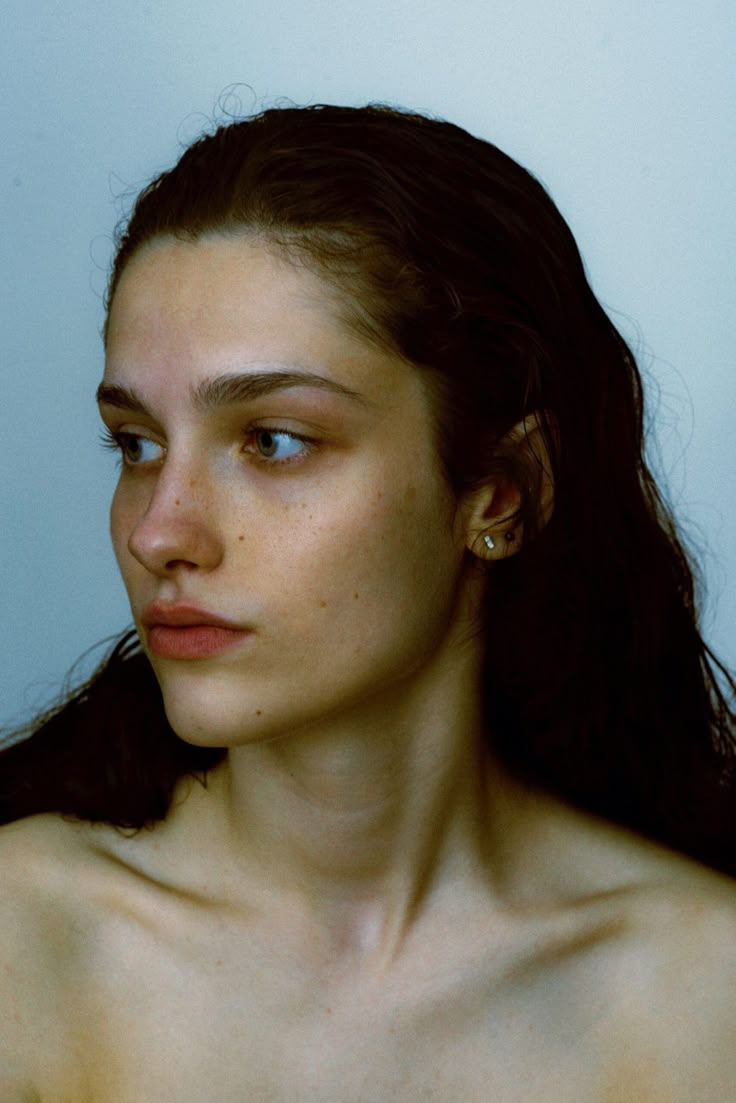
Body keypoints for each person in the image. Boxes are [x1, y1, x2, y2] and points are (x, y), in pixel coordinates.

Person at [1, 102, 734, 1101]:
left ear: (499, 491)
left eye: (274, 440)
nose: (158, 531)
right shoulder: (24, 940)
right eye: (135, 444)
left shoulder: (704, 992)